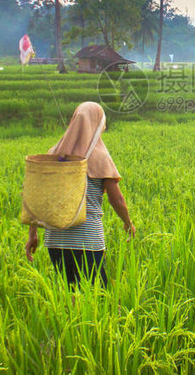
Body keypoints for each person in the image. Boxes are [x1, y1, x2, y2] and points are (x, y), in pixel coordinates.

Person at [25, 102, 135, 288]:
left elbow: (38, 196)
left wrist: (33, 234)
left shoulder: (54, 153)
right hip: (87, 239)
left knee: (71, 293)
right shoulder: (100, 156)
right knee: (97, 297)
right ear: (98, 124)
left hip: (54, 240)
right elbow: (116, 199)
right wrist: (128, 222)